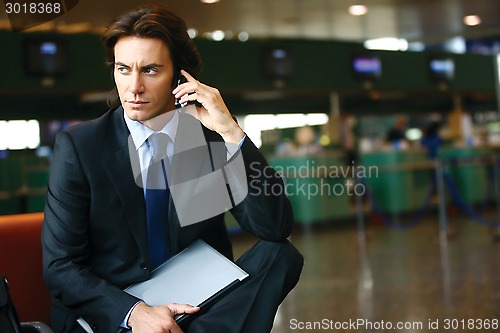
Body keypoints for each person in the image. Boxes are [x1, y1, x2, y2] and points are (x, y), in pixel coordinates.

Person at [42, 4, 303, 333]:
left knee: (282, 256)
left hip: (193, 297)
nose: (133, 87)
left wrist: (231, 133)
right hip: (117, 307)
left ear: (180, 76)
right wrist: (136, 313)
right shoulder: (80, 147)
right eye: (123, 69)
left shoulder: (204, 138)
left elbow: (274, 227)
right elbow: (61, 266)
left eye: (150, 70)